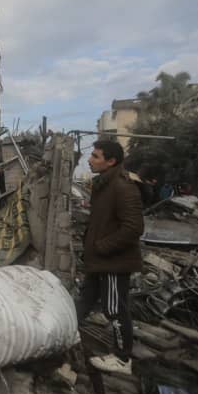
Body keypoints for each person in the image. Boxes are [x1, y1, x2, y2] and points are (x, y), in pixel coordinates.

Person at [77, 140, 144, 375]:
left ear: (111, 161)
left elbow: (134, 228)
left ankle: (122, 359)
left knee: (114, 309)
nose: (89, 159)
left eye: (95, 156)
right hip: (100, 259)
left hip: (113, 261)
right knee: (85, 299)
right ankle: (67, 334)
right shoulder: (104, 184)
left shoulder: (122, 187)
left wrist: (103, 247)